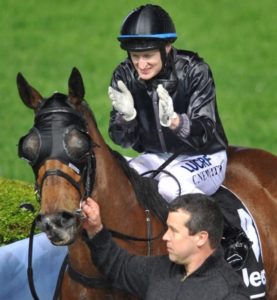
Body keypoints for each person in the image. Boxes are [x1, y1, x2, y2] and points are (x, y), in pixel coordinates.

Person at [108, 4, 228, 203]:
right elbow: (123, 141)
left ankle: (221, 231)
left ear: (166, 48)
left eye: (148, 56)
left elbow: (205, 133)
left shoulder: (195, 70)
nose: (141, 64)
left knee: (170, 187)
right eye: (135, 56)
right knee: (120, 184)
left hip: (205, 155)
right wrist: (127, 119)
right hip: (156, 155)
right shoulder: (123, 75)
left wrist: (176, 122)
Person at [81, 194, 249, 300]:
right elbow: (119, 265)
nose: (165, 236)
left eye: (174, 231)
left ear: (201, 238)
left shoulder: (229, 294)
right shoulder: (158, 269)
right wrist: (95, 230)